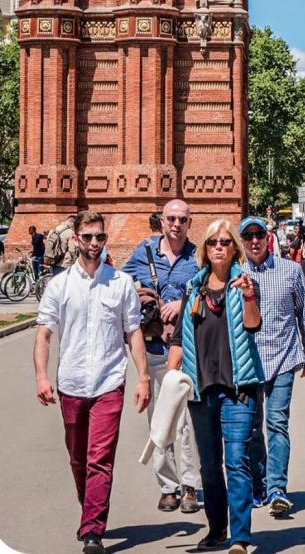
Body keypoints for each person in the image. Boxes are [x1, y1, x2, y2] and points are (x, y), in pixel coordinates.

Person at [35, 211, 151, 554]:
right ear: (76, 240)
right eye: (87, 237)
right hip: (71, 380)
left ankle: (92, 530)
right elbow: (43, 335)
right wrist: (42, 375)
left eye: (99, 237)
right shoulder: (59, 285)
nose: (94, 243)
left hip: (108, 381)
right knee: (77, 458)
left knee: (100, 457)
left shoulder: (121, 284)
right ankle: (90, 510)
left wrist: (143, 378)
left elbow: (133, 332)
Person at [168, 219, 263, 554]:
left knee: (236, 461)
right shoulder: (193, 289)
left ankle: (240, 537)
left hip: (239, 390)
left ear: (234, 248)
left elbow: (254, 324)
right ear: (205, 249)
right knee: (209, 465)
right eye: (213, 242)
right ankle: (217, 529)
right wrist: (170, 380)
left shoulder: (243, 283)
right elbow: (179, 338)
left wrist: (249, 295)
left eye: (225, 242)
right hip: (201, 390)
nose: (219, 247)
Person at [123, 199, 202, 513]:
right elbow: (118, 282)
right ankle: (167, 486)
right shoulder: (142, 255)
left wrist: (184, 304)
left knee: (186, 422)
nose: (177, 224)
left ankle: (190, 486)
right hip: (154, 347)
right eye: (171, 218)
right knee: (159, 419)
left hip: (187, 350)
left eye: (182, 219)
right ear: (162, 221)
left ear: (189, 223)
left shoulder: (198, 257)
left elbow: (212, 287)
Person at [240, 216, 305, 517]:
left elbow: (304, 314)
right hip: (248, 363)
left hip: (283, 358)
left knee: (277, 423)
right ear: (242, 242)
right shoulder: (237, 274)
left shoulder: (290, 270)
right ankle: (258, 486)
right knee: (251, 428)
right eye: (248, 237)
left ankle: (277, 490)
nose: (255, 241)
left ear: (268, 237)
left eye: (259, 234)